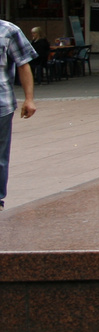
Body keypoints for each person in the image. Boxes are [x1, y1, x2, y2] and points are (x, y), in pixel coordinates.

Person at [1, 18, 39, 209]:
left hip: (1, 104)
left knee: (0, 154)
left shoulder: (8, 31)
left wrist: (29, 99)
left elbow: (23, 64)